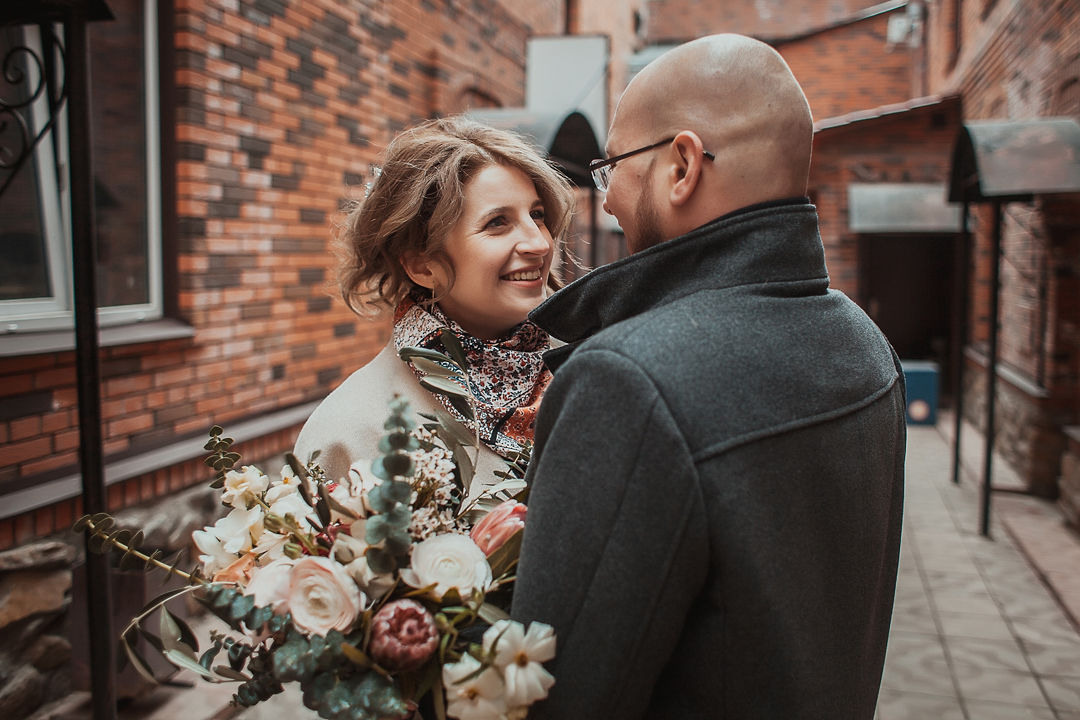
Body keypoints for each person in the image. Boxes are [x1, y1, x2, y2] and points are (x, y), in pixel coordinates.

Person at [511, 34, 906, 719]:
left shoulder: (629, 382)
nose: (606, 202)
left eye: (613, 169)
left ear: (682, 165)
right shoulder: (864, 342)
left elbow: (554, 695)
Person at [294, 116, 575, 500]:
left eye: (537, 215)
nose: (539, 244)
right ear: (422, 265)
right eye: (497, 223)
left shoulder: (591, 367)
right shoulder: (351, 431)